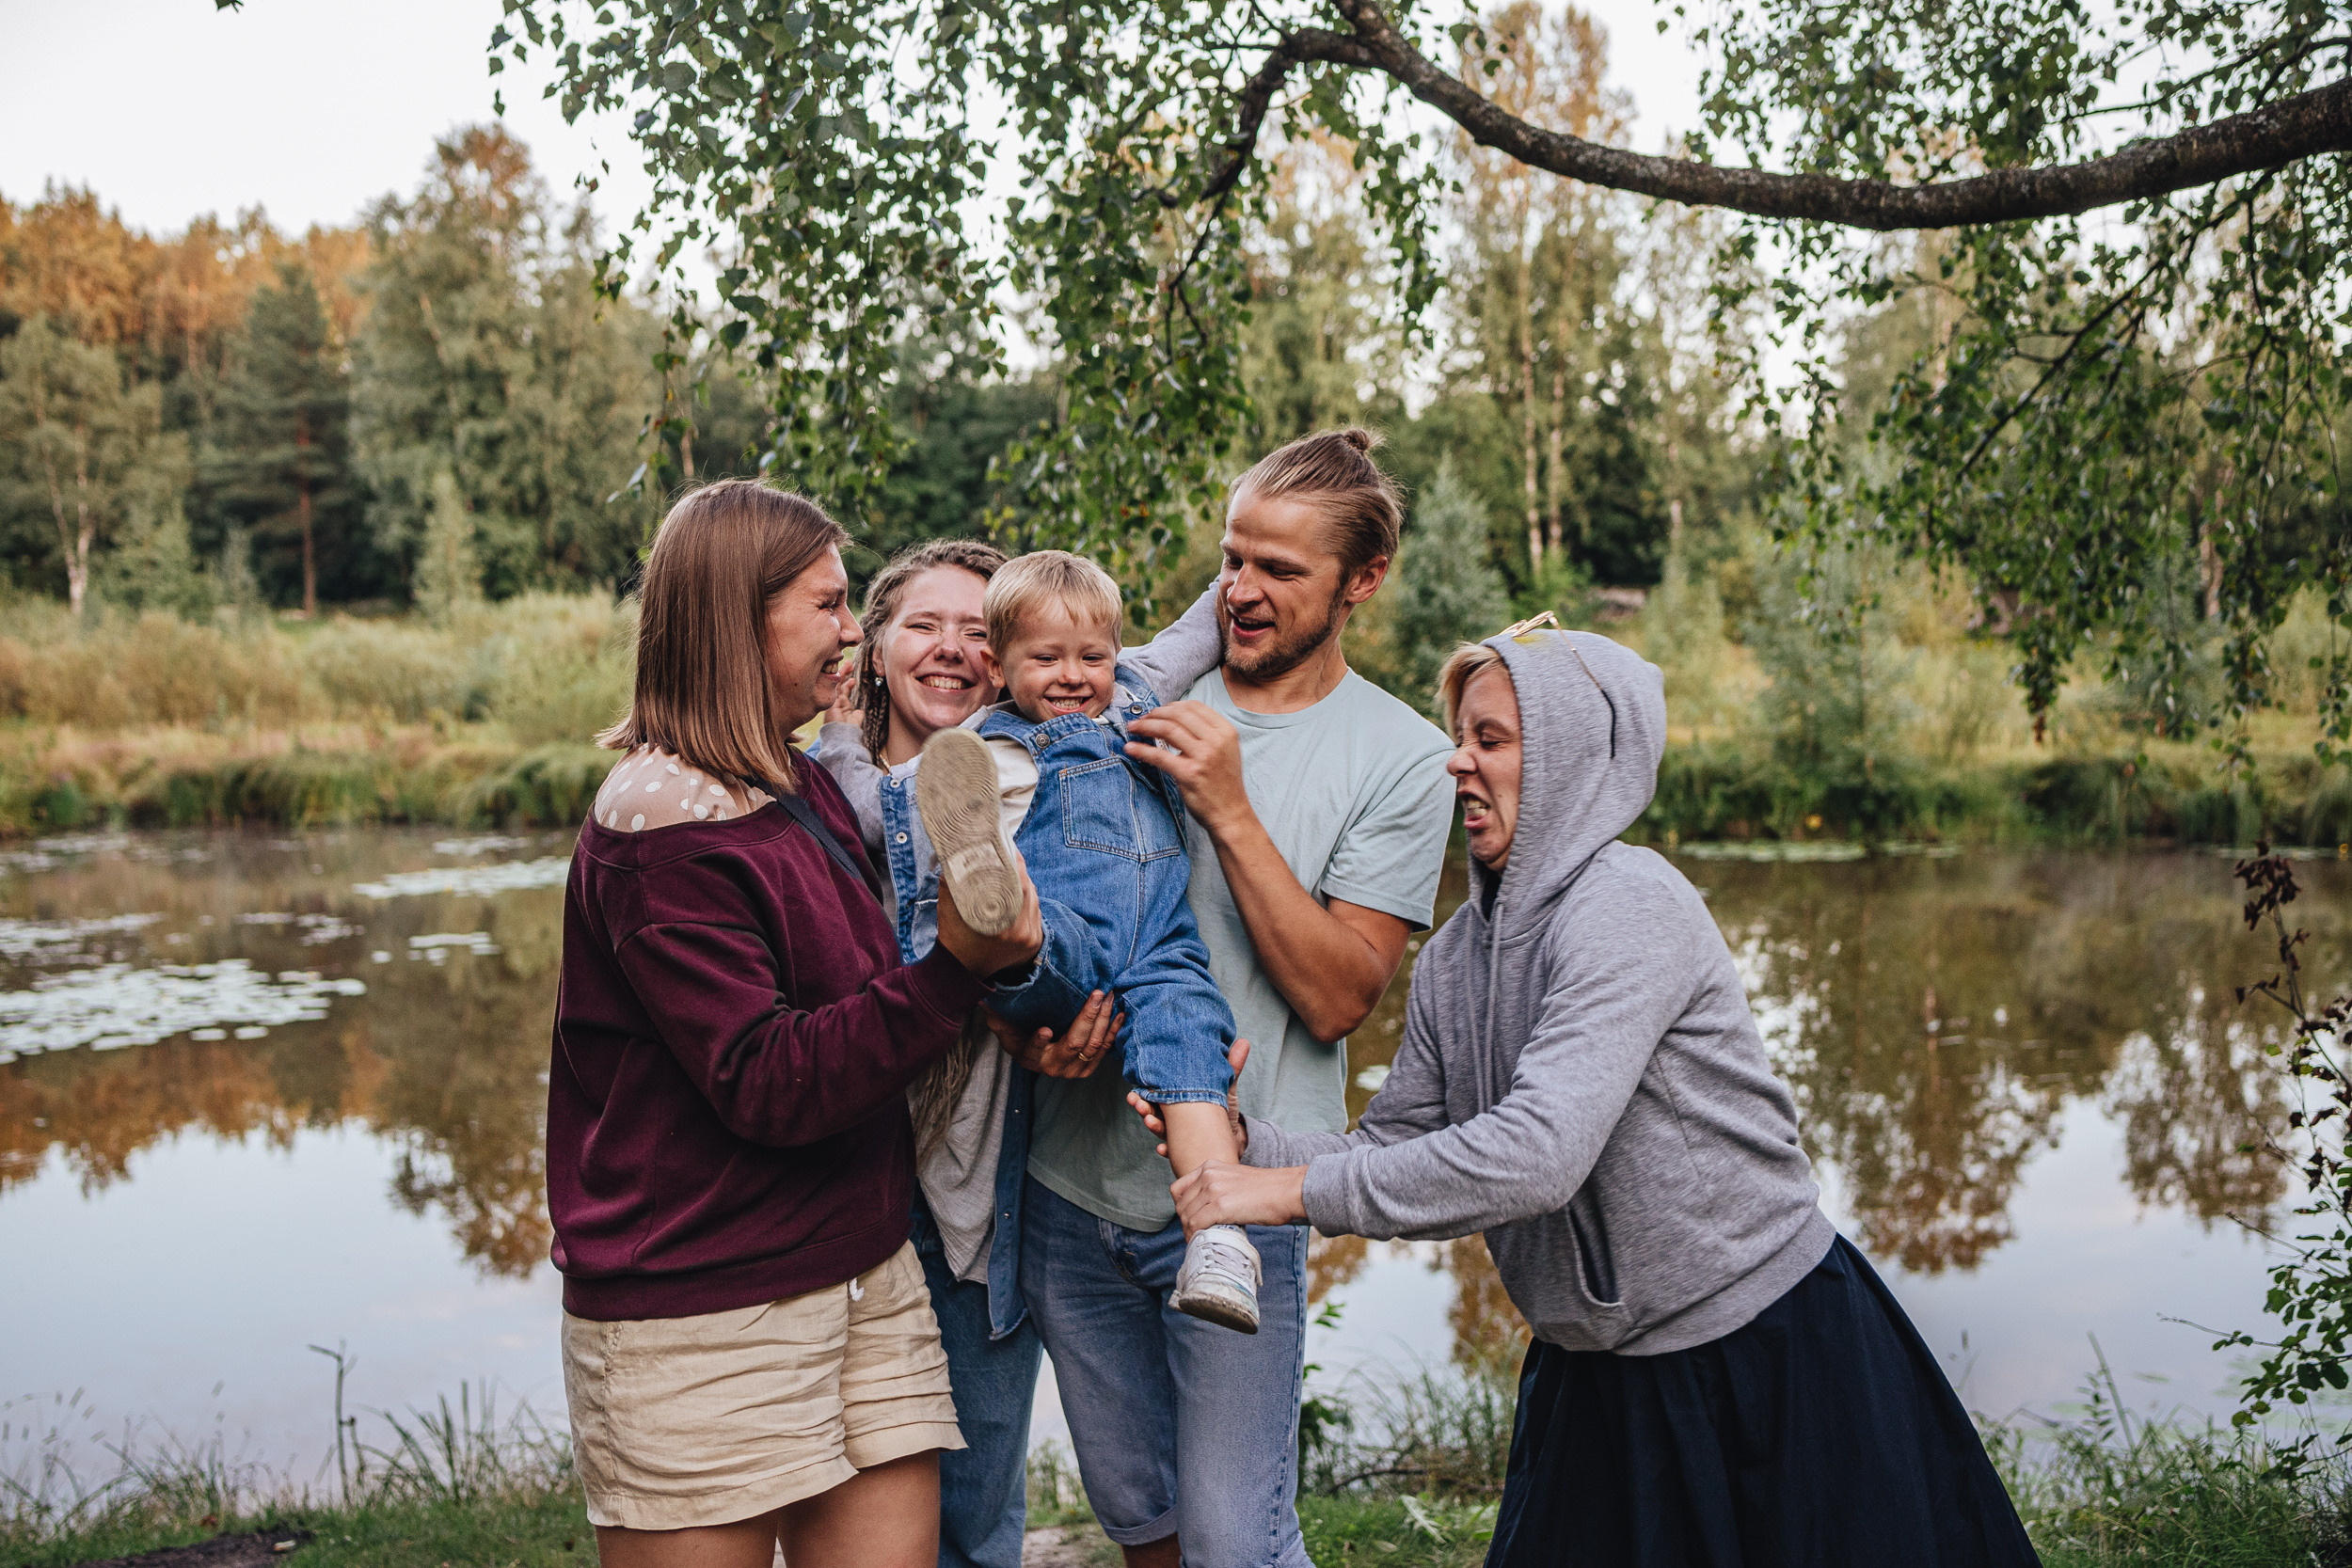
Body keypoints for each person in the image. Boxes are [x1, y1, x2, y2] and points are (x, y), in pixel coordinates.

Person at [1148, 623, 2042, 1568]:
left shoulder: (1628, 902)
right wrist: (1255, 1148)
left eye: (1490, 738)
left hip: (1763, 1357)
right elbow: (1389, 1145)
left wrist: (1276, 1194)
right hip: (1593, 1374)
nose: (1457, 762)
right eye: (1461, 736)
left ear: (1572, 756)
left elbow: (1537, 1151)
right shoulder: (1457, 957)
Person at [546, 481, 1045, 1568]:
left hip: (862, 1270)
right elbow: (770, 1079)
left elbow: (858, 996)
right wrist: (956, 971)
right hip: (703, 1315)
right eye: (825, 604)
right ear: (739, 618)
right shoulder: (659, 826)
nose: (850, 627)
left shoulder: (790, 780)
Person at [1012, 429, 1457, 1568]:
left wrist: (1228, 802)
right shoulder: (1113, 702)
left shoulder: (1401, 756)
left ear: (1361, 582)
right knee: (1145, 1525)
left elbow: (1337, 995)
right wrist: (1032, 1028)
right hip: (1069, 1190)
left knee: (1232, 1539)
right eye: (1231, 559)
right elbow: (1030, 901)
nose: (1240, 592)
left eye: (1280, 570)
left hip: (1238, 1210)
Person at [811, 539, 1221, 1568]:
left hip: (989, 1182)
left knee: (974, 1493)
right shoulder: (821, 792)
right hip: (844, 1178)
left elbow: (1171, 652)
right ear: (873, 648)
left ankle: (1015, 947)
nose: (948, 648)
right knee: (837, 1485)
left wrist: (1051, 1035)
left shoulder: (1050, 755)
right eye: (922, 625)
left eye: (968, 629)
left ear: (994, 654)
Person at [915, 548, 1265, 1332]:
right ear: (998, 667)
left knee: (1194, 1051)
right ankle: (995, 898)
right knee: (1042, 957)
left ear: (1116, 655)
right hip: (1070, 929)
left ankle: (1219, 1236)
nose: (1073, 675)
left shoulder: (1134, 693)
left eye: (1093, 657)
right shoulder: (998, 748)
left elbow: (1188, 637)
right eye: (1045, 658)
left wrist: (1231, 574)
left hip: (1163, 945)